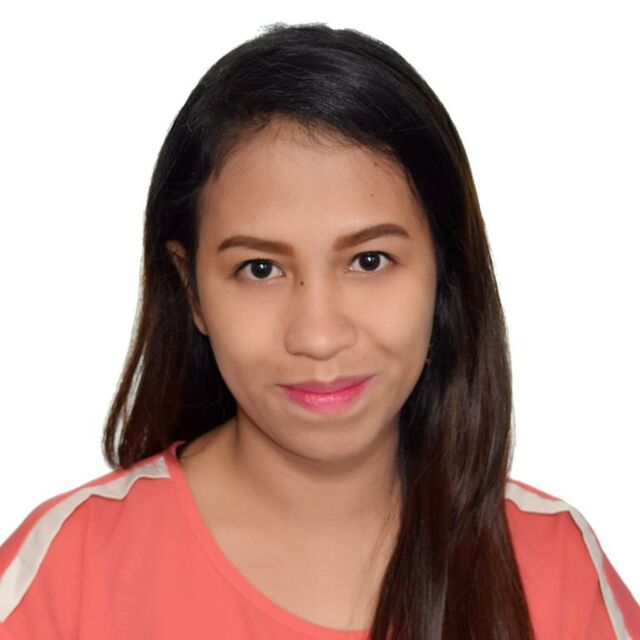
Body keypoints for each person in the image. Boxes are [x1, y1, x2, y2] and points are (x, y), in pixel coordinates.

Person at [0, 22, 638, 640]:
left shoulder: (556, 566)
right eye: (260, 268)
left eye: (370, 260)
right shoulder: (68, 573)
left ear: (444, 271)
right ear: (191, 289)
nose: (319, 336)